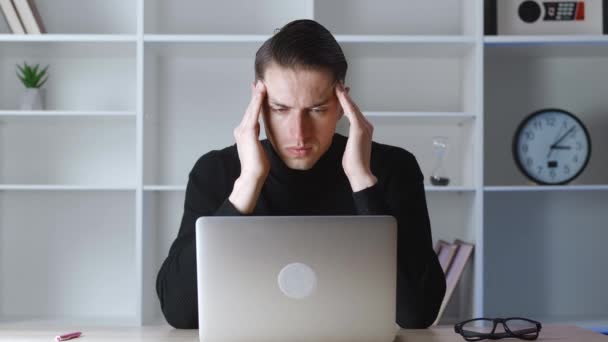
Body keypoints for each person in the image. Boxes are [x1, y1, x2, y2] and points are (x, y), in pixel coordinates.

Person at [156, 19, 446, 330]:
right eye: (280, 109)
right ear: (258, 101)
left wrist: (361, 180)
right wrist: (247, 185)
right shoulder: (216, 171)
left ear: (341, 105)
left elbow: (417, 314)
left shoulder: (393, 168)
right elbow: (179, 312)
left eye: (317, 109)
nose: (299, 134)